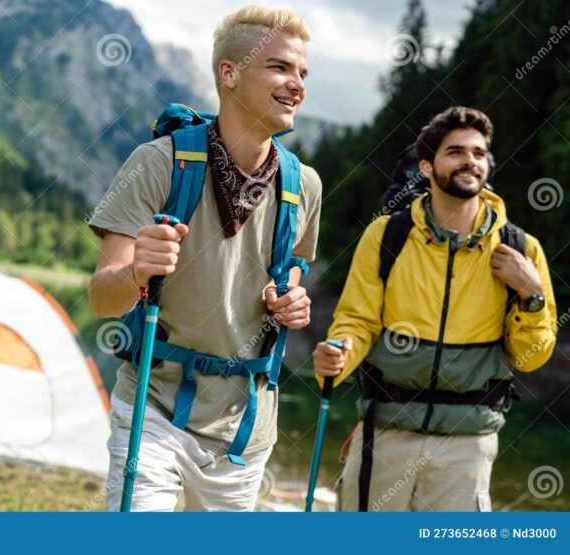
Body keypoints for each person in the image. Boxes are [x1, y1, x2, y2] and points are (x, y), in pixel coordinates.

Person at [88, 6, 322, 511]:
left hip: (245, 430)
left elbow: (292, 273)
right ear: (229, 73)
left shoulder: (304, 185)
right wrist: (135, 271)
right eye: (280, 67)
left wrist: (290, 302)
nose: (297, 84)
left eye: (303, 72)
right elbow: (102, 298)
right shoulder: (159, 162)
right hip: (154, 412)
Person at [313, 106, 557, 512]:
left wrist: (531, 294)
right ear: (427, 167)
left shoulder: (521, 249)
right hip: (386, 430)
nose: (470, 161)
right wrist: (338, 353)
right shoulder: (387, 234)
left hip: (469, 443)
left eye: (479, 153)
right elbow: (357, 320)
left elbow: (531, 359)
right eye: (455, 151)